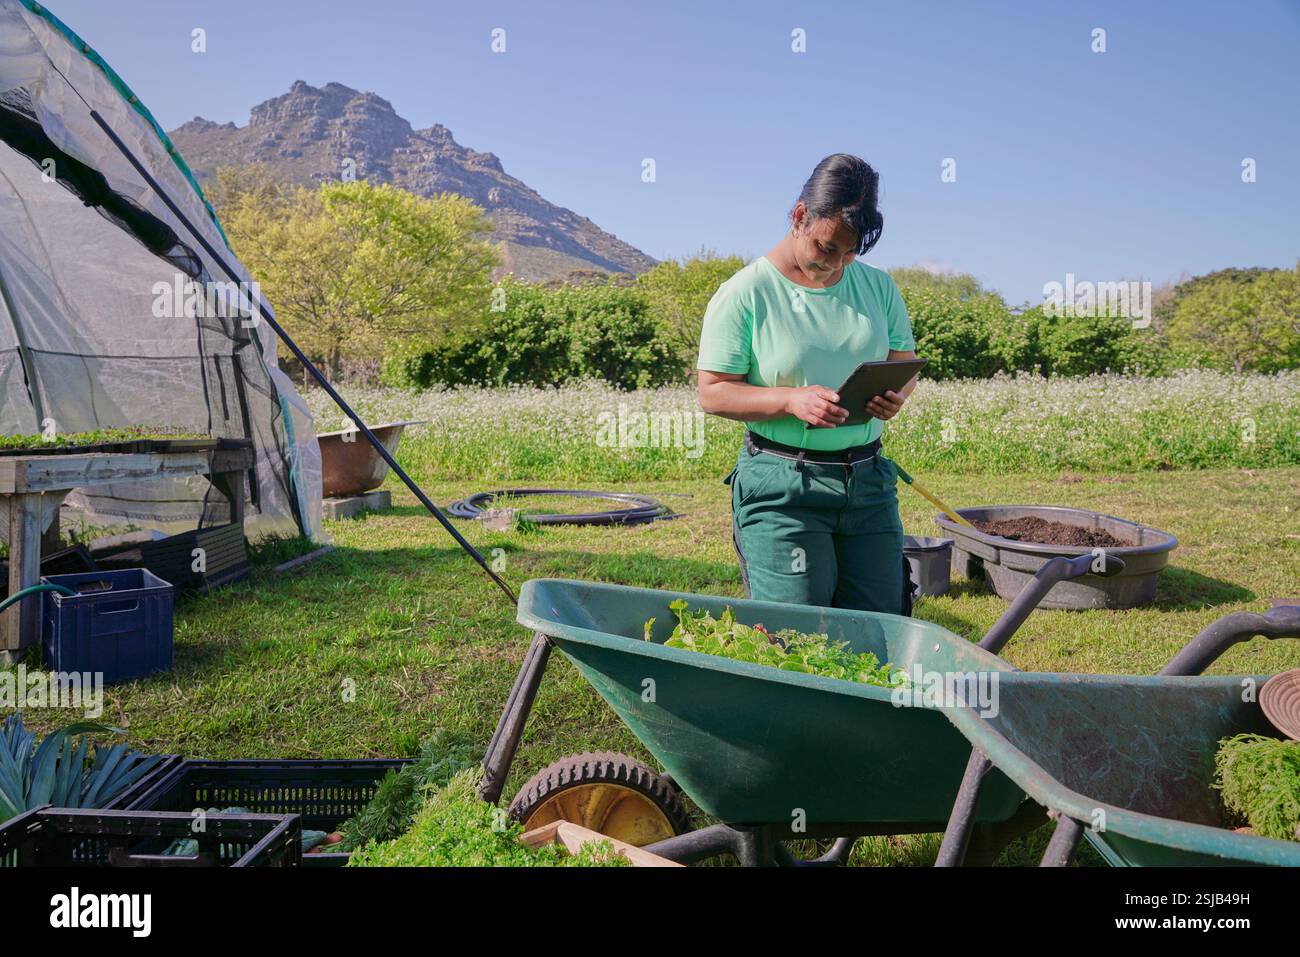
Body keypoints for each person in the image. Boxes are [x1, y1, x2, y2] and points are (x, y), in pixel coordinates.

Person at [696, 153, 920, 614]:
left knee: (882, 624)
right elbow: (713, 391)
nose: (837, 264)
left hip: (868, 483)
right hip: (783, 487)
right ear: (801, 217)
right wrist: (790, 400)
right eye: (827, 247)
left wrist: (894, 396)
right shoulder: (745, 292)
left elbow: (904, 360)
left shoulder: (878, 287)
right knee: (798, 630)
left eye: (850, 252)